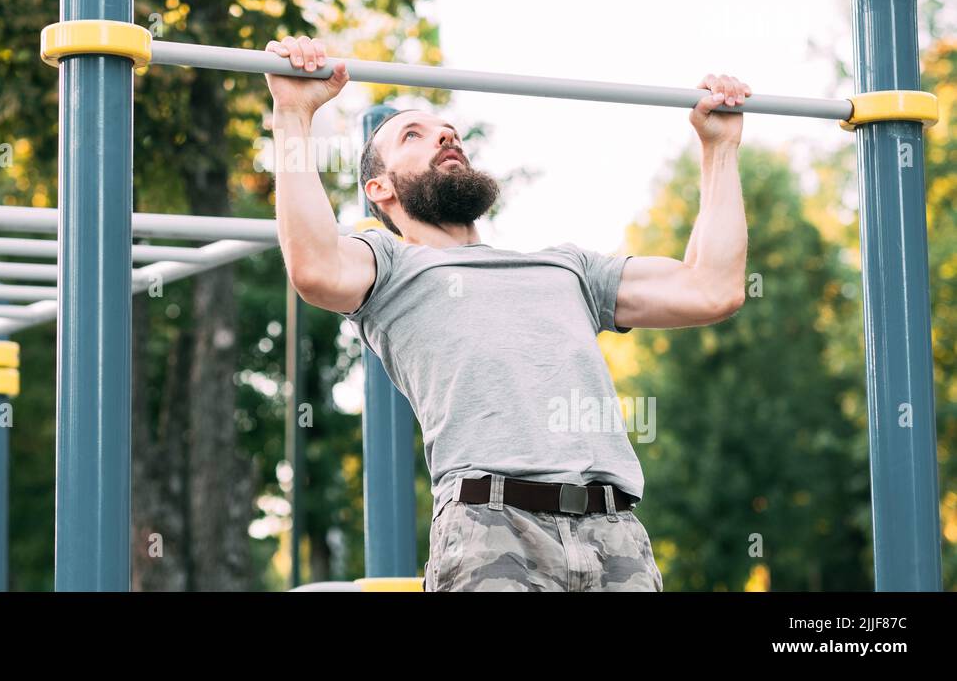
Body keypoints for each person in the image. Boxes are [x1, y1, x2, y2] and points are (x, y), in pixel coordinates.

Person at [264, 36, 750, 592]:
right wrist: (293, 114)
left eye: (445, 129)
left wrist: (720, 148)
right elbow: (315, 267)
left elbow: (712, 288)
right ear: (381, 189)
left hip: (614, 533)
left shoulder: (566, 268)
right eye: (412, 135)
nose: (444, 135)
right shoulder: (392, 265)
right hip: (490, 525)